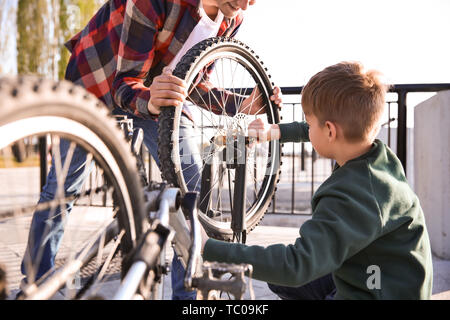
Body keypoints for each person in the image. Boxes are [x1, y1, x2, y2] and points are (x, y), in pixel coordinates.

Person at [19, 0, 282, 300]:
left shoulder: (232, 16)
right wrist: (153, 99)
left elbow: (196, 82)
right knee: (62, 190)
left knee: (193, 192)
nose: (249, 2)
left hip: (163, 98)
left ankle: (188, 297)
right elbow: (125, 83)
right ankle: (38, 283)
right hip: (98, 82)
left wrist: (243, 103)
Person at [201, 61, 433, 299]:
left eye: (310, 123)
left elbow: (296, 265)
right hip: (382, 276)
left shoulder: (352, 194)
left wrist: (208, 248)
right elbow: (317, 128)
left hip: (376, 292)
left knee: (288, 273)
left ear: (330, 131)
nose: (307, 130)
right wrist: (277, 131)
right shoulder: (375, 157)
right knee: (281, 282)